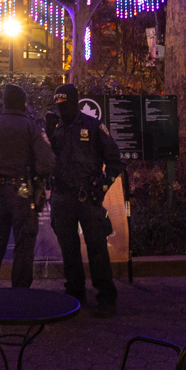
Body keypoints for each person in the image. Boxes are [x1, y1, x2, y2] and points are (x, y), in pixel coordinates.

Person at [45, 83, 124, 317]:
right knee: (68, 248)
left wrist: (104, 185)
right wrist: (47, 135)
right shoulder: (54, 127)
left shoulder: (92, 125)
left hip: (87, 196)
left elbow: (115, 160)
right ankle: (75, 293)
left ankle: (106, 297)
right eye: (58, 104)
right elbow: (45, 159)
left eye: (65, 104)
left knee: (97, 248)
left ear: (75, 102)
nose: (61, 109)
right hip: (61, 197)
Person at [0, 85, 55, 291]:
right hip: (23, 194)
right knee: (24, 245)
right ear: (24, 103)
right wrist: (35, 173)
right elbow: (47, 163)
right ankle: (20, 295)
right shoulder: (31, 127)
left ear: (4, 102)